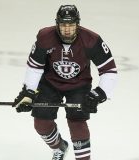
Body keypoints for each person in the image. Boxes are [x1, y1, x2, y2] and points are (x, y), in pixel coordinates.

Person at [12, 4, 118, 160]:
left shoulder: (92, 40)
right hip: (50, 83)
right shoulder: (44, 37)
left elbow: (109, 70)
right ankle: (60, 147)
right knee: (41, 123)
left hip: (79, 85)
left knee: (77, 121)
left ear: (78, 24)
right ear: (57, 24)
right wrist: (28, 92)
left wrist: (99, 94)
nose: (67, 29)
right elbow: (35, 67)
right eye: (63, 25)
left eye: (71, 25)